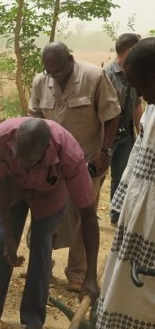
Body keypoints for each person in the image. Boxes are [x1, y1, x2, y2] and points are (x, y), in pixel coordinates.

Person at [0, 118, 100, 329]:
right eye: (17, 157)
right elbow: (0, 182)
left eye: (29, 161)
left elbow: (88, 215)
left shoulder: (70, 156)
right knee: (1, 245)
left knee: (41, 246)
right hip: (12, 189)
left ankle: (33, 323)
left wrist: (90, 275)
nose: (21, 164)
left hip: (50, 193)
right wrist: (9, 236)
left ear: (45, 151)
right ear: (13, 143)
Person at [95, 37, 155, 329]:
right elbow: (135, 161)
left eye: (142, 83)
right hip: (134, 227)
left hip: (153, 238)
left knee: (147, 322)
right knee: (124, 314)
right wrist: (118, 206)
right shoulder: (151, 108)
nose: (139, 93)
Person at [30, 42, 120, 292]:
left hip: (86, 160)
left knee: (84, 215)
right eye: (50, 71)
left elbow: (112, 115)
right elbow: (35, 116)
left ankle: (78, 273)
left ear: (70, 59)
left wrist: (105, 152)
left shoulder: (95, 77)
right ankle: (42, 266)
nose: (55, 75)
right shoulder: (41, 81)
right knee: (44, 212)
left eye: (59, 70)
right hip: (51, 162)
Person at [104, 33, 143, 225]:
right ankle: (87, 212)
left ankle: (116, 214)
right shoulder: (106, 75)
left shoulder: (134, 73)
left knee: (121, 176)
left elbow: (137, 105)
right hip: (106, 136)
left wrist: (141, 133)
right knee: (98, 175)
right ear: (129, 50)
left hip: (126, 135)